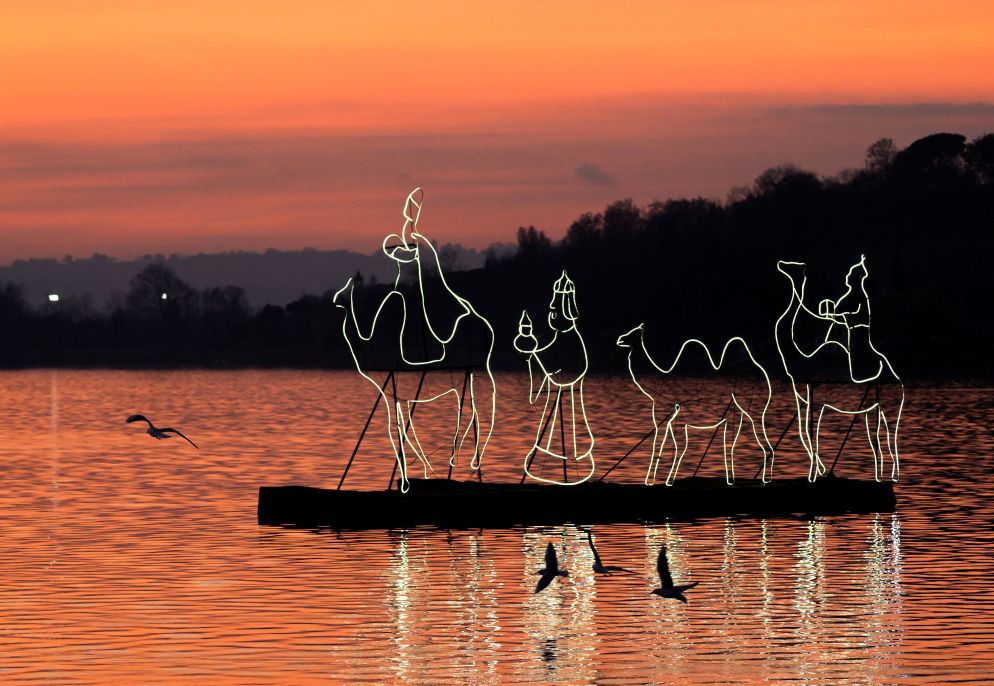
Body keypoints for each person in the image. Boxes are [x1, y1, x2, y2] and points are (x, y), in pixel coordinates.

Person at [514, 271, 595, 485]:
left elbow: (570, 365)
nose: (551, 315)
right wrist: (534, 352)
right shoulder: (560, 335)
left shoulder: (571, 337)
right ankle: (551, 470)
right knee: (552, 434)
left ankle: (572, 471)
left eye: (554, 310)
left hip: (569, 398)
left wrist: (541, 359)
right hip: (558, 394)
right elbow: (547, 352)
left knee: (570, 435)